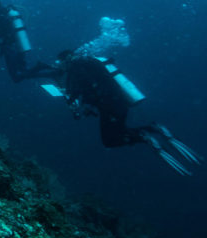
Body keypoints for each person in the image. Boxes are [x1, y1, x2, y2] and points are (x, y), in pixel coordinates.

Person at [49, 51, 201, 175]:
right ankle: (153, 129)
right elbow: (96, 86)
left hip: (109, 106)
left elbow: (78, 91)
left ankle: (144, 136)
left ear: (66, 59)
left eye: (60, 63)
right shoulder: (92, 62)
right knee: (118, 133)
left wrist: (69, 96)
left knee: (109, 140)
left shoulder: (76, 67)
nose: (61, 67)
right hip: (120, 103)